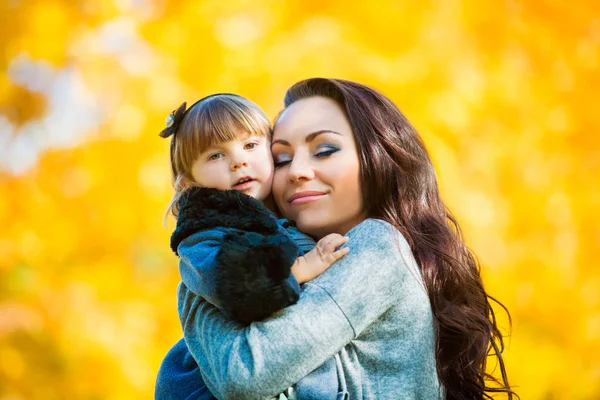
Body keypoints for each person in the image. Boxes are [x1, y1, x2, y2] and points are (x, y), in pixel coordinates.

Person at [168, 78, 516, 400]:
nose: (298, 171)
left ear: (378, 156)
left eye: (324, 150)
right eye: (282, 159)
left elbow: (245, 373)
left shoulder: (376, 245)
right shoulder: (254, 242)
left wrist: (195, 300)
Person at [154, 93, 349, 400]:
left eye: (250, 145)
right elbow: (232, 282)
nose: (238, 161)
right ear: (189, 184)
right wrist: (301, 267)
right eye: (216, 155)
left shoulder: (281, 216)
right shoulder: (203, 234)